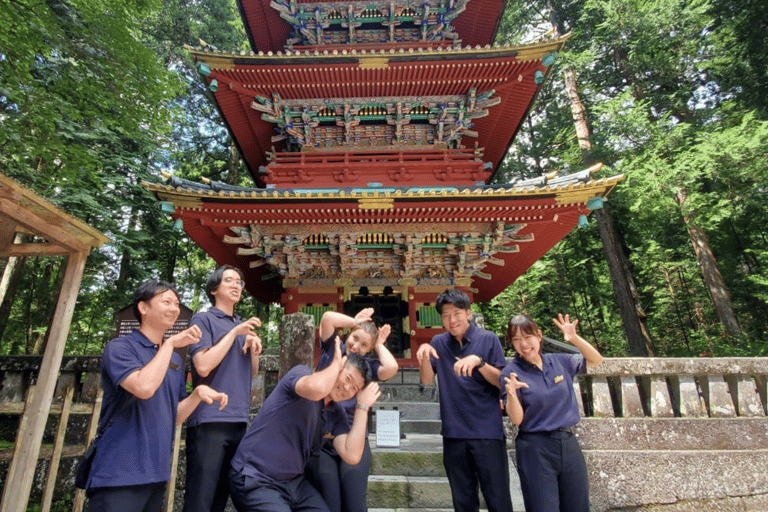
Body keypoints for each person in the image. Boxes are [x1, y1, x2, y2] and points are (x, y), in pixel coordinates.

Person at [86, 280, 228, 512]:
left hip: (156, 475)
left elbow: (174, 417)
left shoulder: (172, 360)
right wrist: (170, 344)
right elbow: (143, 388)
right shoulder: (120, 347)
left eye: (177, 303)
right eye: (166, 302)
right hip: (118, 474)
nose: (174, 308)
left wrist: (196, 396)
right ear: (143, 307)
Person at [228, 336, 382, 512]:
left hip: (293, 483)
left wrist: (362, 406)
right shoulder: (302, 374)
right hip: (256, 476)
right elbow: (316, 390)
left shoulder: (336, 413)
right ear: (337, 368)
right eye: (347, 378)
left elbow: (352, 455)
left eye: (354, 388)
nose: (347, 388)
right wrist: (336, 363)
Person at [416, 289, 513, 512]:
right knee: (462, 501)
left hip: (487, 433)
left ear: (468, 313)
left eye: (457, 313)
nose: (452, 320)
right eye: (446, 315)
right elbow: (426, 379)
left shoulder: (487, 339)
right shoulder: (438, 342)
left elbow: (502, 381)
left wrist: (479, 362)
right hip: (454, 434)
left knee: (497, 497)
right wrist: (423, 356)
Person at [501, 313, 603, 512]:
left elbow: (596, 360)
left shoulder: (560, 361)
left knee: (578, 506)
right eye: (516, 340)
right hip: (535, 448)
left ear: (539, 336)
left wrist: (573, 338)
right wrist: (512, 394)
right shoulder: (511, 372)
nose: (523, 344)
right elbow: (516, 419)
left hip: (568, 442)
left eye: (527, 337)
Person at [183, 265, 262, 512]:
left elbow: (252, 372)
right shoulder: (203, 319)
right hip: (209, 420)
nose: (237, 285)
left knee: (220, 499)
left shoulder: (240, 324)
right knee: (200, 500)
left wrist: (253, 347)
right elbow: (203, 365)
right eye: (229, 280)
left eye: (239, 281)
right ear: (214, 289)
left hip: (238, 421)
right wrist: (235, 333)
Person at [310, 308, 398, 512]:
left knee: (355, 504)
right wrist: (355, 322)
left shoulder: (366, 368)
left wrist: (377, 344)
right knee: (330, 502)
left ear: (369, 350)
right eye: (355, 338)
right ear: (349, 334)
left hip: (353, 439)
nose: (356, 346)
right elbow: (327, 319)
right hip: (322, 439)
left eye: (364, 345)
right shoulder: (333, 349)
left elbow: (391, 367)